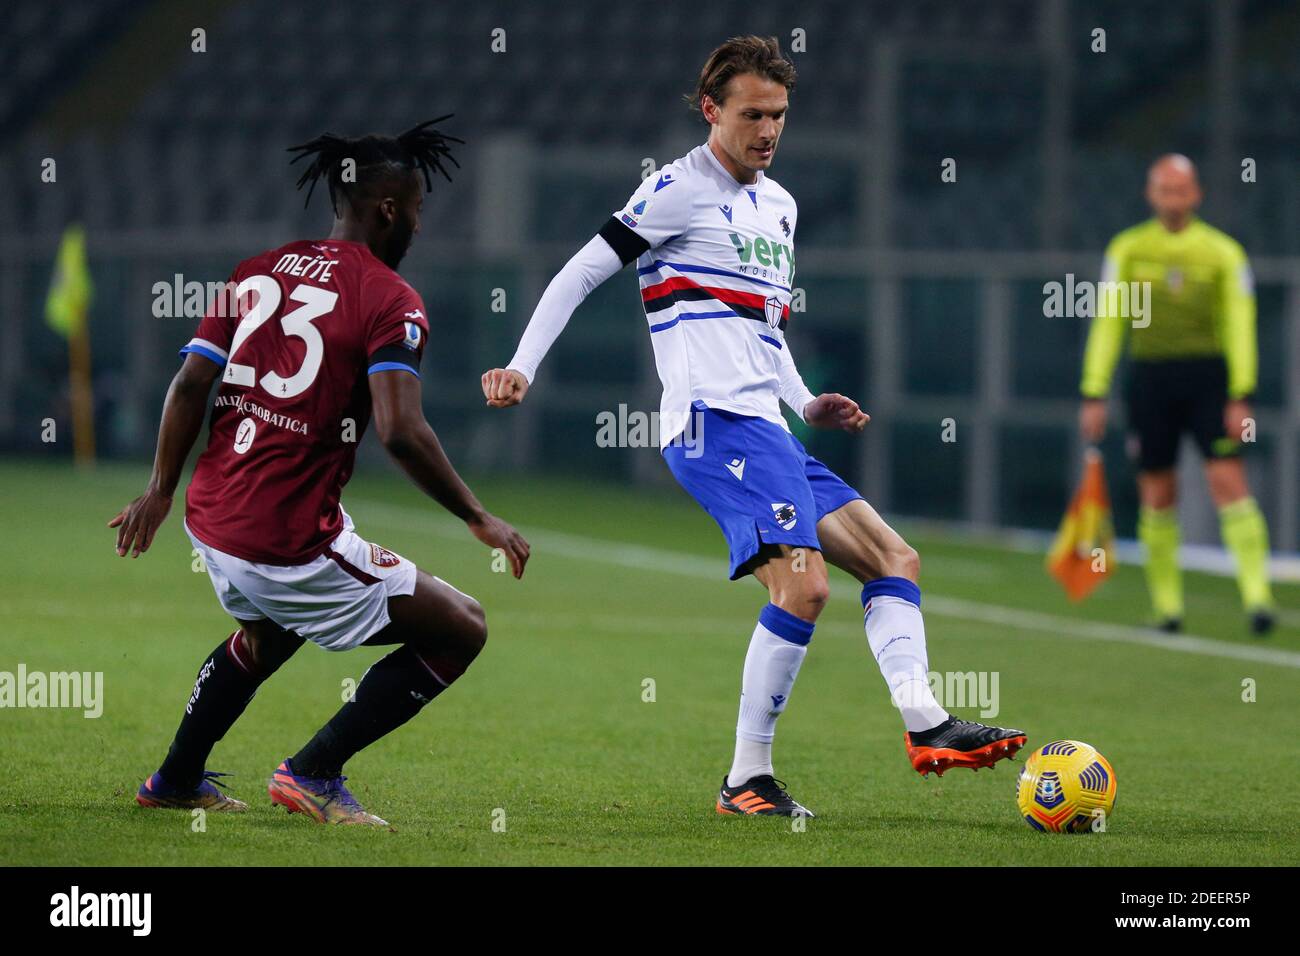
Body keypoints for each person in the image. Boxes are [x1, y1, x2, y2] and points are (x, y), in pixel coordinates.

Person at [481, 38, 1024, 817]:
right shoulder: (673, 190)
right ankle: (747, 779)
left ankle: (926, 723)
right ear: (712, 111)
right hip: (711, 425)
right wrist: (523, 365)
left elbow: (762, 328)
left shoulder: (781, 206)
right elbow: (580, 272)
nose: (768, 131)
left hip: (768, 424)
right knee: (804, 588)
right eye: (752, 115)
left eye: (778, 116)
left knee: (892, 556)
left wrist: (804, 403)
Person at [111, 119, 530, 826]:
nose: (421, 226)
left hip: (212, 515)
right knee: (463, 626)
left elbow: (188, 385)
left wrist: (159, 488)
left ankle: (176, 779)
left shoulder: (256, 271)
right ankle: (312, 772)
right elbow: (401, 431)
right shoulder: (389, 297)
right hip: (286, 537)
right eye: (419, 210)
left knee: (266, 636)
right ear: (389, 209)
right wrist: (476, 516)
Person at [1079, 154, 1273, 635]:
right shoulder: (1128, 248)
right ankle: (1168, 610)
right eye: (1164, 189)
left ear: (1196, 194)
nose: (1172, 197)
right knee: (1157, 492)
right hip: (1150, 380)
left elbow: (1239, 324)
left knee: (1228, 481)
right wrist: (1095, 389)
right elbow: (1109, 320)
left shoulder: (1222, 252)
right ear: (1151, 194)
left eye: (1180, 189)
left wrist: (1241, 392)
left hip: (1209, 379)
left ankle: (1258, 599)